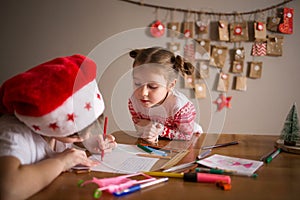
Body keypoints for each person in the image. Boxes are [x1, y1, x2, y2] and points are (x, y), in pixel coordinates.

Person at [0, 54, 117, 200]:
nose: (85, 136)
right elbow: (9, 190)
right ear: (49, 125)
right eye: (75, 135)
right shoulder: (14, 133)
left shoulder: (55, 130)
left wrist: (88, 142)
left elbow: (63, 136)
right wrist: (62, 162)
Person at [128, 47, 203, 144]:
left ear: (171, 85)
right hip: (161, 143)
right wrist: (149, 134)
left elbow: (186, 135)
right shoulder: (134, 101)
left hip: (190, 140)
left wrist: (160, 130)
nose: (143, 93)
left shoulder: (180, 107)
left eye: (153, 86)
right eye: (137, 83)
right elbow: (141, 128)